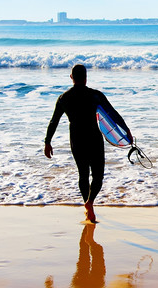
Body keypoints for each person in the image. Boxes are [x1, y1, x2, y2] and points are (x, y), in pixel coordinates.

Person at [44, 64, 131, 222]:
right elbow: (112, 114)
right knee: (98, 176)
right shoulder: (95, 95)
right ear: (86, 77)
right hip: (94, 139)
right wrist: (126, 130)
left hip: (76, 140)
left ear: (71, 77)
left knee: (83, 175)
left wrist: (47, 142)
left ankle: (88, 206)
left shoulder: (64, 98)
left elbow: (53, 122)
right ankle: (89, 202)